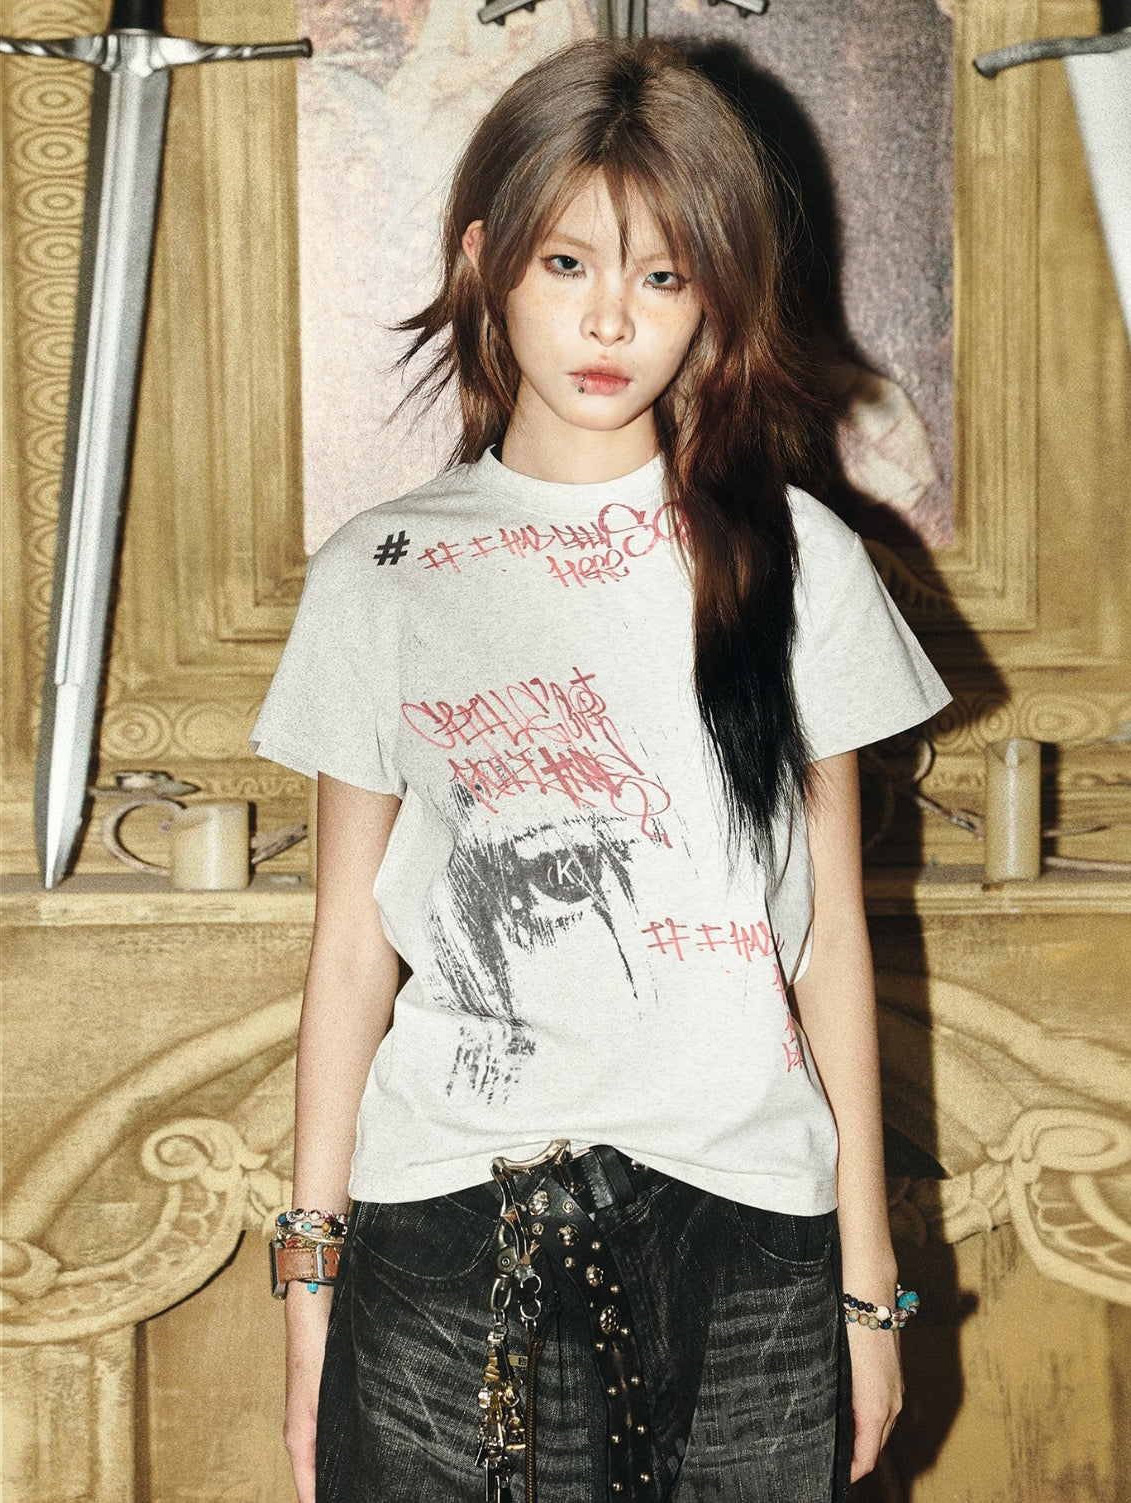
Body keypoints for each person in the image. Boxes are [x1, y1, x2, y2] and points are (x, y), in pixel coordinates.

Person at [252, 37, 950, 1503]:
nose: (610, 320)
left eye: (663, 276)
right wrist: (311, 1283)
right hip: (447, 1227)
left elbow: (827, 944)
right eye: (567, 264)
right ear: (484, 262)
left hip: (752, 1231)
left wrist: (867, 1289)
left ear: (715, 301)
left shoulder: (799, 562)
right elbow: (348, 951)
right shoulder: (385, 569)